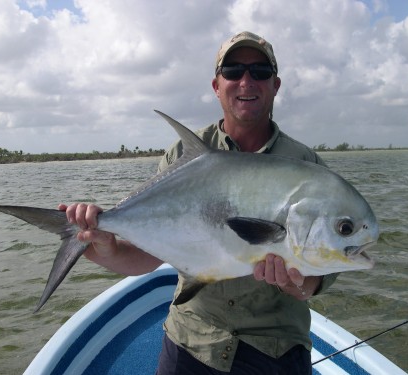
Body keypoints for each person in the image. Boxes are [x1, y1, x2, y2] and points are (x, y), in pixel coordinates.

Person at [59, 31, 338, 375]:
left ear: (276, 85)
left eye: (260, 72)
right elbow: (147, 255)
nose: (246, 81)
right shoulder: (183, 156)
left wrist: (294, 281)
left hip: (275, 346)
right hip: (193, 339)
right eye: (233, 71)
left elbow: (322, 275)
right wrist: (106, 244)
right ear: (216, 85)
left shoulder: (306, 167)